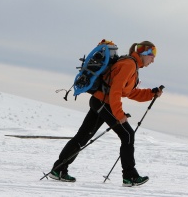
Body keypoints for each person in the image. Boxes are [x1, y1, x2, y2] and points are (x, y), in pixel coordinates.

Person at [49, 40, 163, 187]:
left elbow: (129, 92)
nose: (153, 60)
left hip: (100, 102)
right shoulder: (129, 65)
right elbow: (115, 91)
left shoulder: (132, 66)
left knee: (83, 137)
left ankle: (58, 169)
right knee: (127, 134)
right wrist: (119, 114)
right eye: (152, 55)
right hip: (103, 103)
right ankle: (130, 176)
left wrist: (151, 93)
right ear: (144, 53)